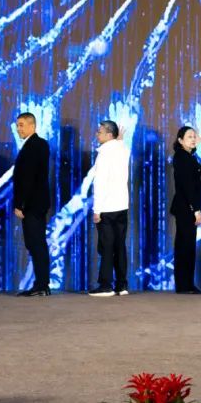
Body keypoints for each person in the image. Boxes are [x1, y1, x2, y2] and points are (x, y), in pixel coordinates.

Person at [89, 120, 130, 297]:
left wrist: (96, 209)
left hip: (106, 207)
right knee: (119, 246)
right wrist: (120, 140)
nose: (97, 134)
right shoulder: (123, 149)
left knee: (106, 247)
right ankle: (122, 285)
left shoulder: (104, 153)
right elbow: (121, 146)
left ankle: (106, 285)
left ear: (109, 135)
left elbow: (100, 183)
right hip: (122, 205)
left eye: (100, 132)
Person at [13, 112, 52, 297]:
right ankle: (41, 284)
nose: (18, 128)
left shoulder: (35, 145)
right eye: (17, 125)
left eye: (21, 125)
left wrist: (20, 204)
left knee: (36, 244)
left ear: (32, 126)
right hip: (35, 203)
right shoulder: (33, 145)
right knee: (35, 243)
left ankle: (42, 285)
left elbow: (28, 178)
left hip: (33, 204)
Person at [169, 126, 201, 294]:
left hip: (185, 207)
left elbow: (197, 170)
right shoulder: (182, 157)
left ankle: (186, 284)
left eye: (194, 136)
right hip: (186, 208)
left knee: (186, 246)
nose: (193, 139)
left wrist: (195, 147)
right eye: (189, 136)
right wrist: (195, 210)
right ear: (180, 140)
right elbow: (188, 186)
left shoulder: (186, 156)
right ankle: (185, 285)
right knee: (185, 247)